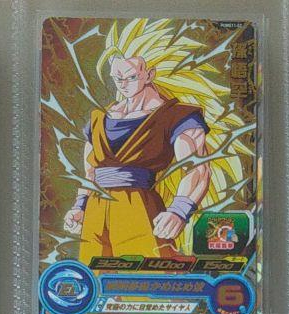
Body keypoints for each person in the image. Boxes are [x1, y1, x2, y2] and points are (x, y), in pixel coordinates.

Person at [62, 19, 246, 261]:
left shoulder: (176, 116)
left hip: (138, 212)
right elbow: (90, 172)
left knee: (145, 275)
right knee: (94, 280)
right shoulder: (99, 118)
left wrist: (179, 210)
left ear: (149, 74)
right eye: (117, 78)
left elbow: (197, 168)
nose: (123, 85)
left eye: (130, 77)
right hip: (95, 218)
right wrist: (79, 207)